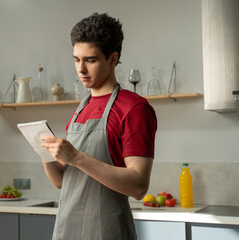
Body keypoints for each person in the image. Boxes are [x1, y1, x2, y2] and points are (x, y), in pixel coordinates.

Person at [40, 12, 157, 240]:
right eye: (76, 59)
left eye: (90, 60)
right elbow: (64, 182)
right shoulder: (81, 109)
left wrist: (76, 157)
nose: (80, 69)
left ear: (112, 59)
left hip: (107, 232)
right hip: (67, 231)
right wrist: (44, 151)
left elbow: (138, 186)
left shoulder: (134, 108)